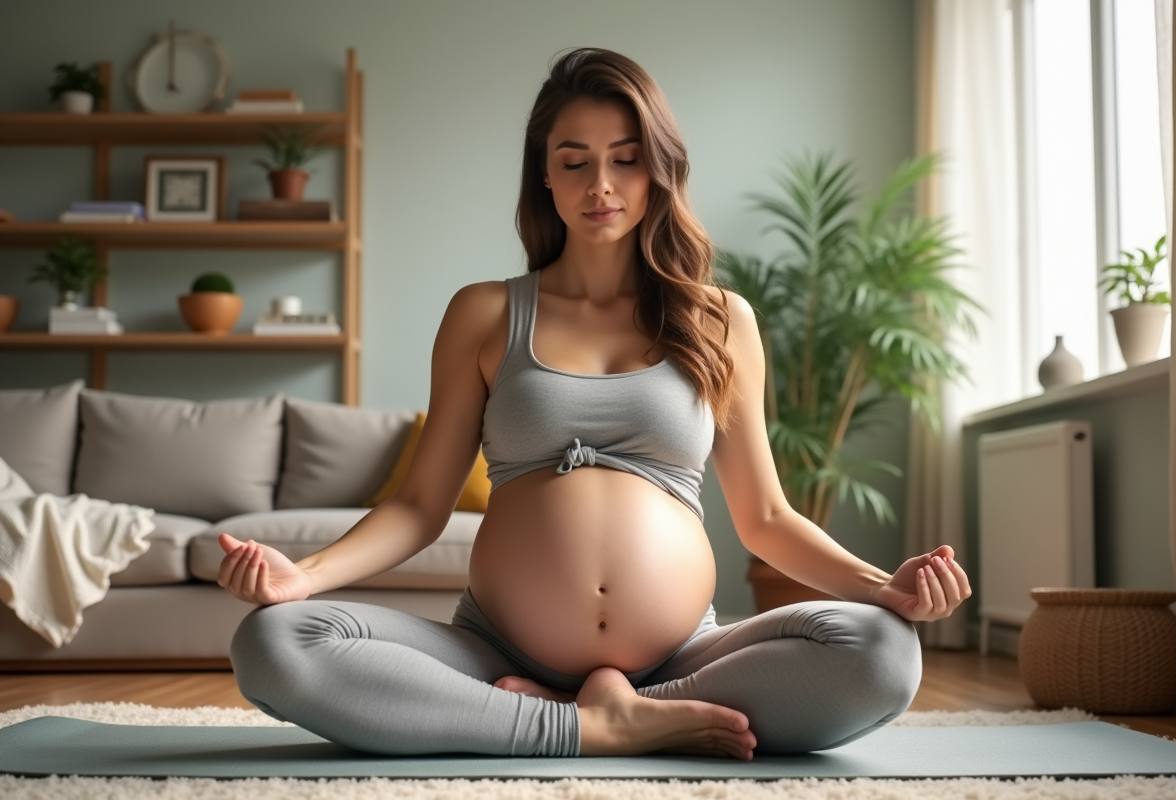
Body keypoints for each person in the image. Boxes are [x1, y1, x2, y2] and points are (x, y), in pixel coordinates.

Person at [218, 47, 970, 761]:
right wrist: (303, 579)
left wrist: (885, 587)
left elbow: (765, 519)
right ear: (544, 174)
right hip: (495, 653)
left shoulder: (720, 320)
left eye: (625, 159)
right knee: (274, 642)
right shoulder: (483, 314)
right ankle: (591, 725)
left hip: (682, 658)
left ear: (659, 171)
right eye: (574, 161)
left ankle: (589, 709)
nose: (599, 185)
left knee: (883, 652)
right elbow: (419, 506)